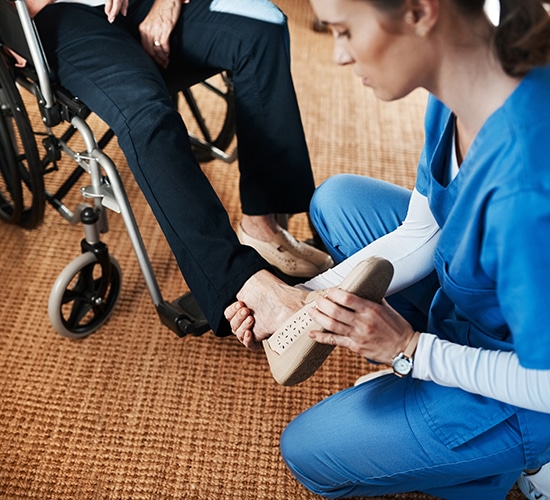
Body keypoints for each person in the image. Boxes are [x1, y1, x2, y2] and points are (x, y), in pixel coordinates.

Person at [224, 0, 550, 497]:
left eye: (344, 32)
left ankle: (503, 466)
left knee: (308, 452)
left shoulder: (525, 189)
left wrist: (409, 351)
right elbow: (422, 233)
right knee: (337, 201)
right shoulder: (462, 82)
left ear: (420, 11)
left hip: (531, 391)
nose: (337, 56)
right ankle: (433, 415)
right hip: (480, 301)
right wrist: (300, 299)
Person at [22, 0, 333, 338]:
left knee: (263, 27)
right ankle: (244, 283)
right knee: (149, 116)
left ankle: (262, 224)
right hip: (63, 16)